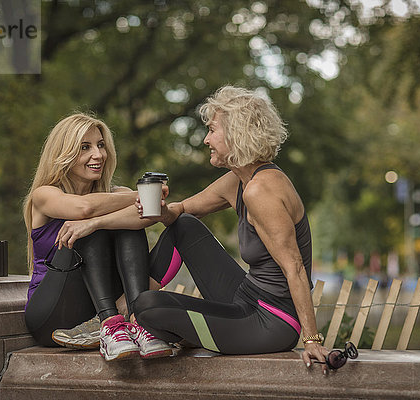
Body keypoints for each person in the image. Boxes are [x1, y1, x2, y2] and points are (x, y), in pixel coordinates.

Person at [132, 86, 331, 373]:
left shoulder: (261, 191)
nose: (206, 139)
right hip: (245, 296)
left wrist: (311, 340)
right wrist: (163, 209)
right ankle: (128, 317)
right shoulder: (238, 180)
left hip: (271, 322)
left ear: (237, 134)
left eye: (212, 130)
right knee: (183, 225)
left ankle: (140, 318)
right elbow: (183, 211)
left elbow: (295, 268)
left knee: (150, 306)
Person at [23, 113, 175, 361]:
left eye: (101, 145)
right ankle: (110, 322)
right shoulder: (44, 195)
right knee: (85, 226)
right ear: (65, 153)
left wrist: (103, 219)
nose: (99, 154)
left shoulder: (116, 194)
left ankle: (140, 320)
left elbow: (146, 216)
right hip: (50, 315)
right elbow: (84, 209)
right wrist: (145, 192)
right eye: (85, 147)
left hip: (94, 306)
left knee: (138, 225)